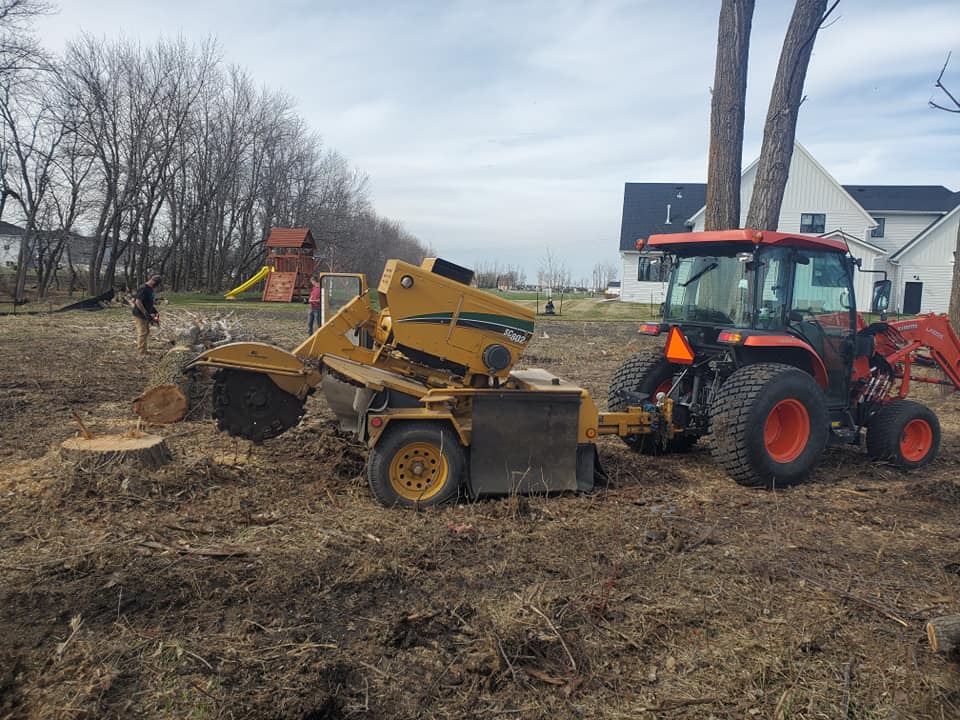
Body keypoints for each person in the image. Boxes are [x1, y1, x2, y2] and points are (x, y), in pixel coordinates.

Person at [133, 275, 162, 357]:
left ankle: (144, 350)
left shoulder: (150, 289)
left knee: (146, 332)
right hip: (140, 314)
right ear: (154, 282)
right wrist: (145, 313)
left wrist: (154, 311)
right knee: (143, 332)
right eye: (157, 285)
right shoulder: (143, 288)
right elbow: (138, 302)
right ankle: (141, 353)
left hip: (146, 314)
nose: (156, 287)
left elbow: (148, 302)